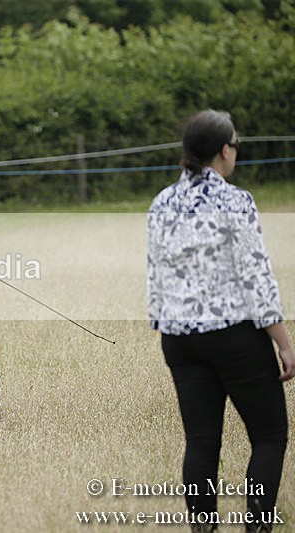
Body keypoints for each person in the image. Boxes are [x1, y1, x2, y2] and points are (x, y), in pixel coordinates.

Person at [147, 109, 294, 532]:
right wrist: (283, 341)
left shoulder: (162, 203)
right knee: (268, 437)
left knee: (201, 441)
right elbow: (256, 278)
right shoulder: (236, 201)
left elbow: (156, 274)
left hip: (179, 340)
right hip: (235, 338)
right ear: (225, 151)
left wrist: (165, 322)